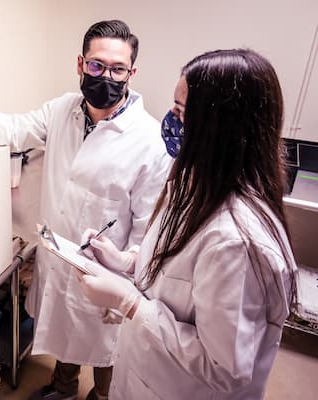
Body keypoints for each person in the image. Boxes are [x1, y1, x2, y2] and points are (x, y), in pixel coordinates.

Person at [0, 20, 170, 400]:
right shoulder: (63, 110)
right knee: (66, 334)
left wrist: (131, 288)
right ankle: (62, 392)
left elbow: (148, 227)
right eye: (97, 66)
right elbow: (12, 129)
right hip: (61, 259)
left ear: (132, 72)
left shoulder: (148, 140)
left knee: (107, 356)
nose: (106, 77)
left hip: (112, 275)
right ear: (80, 64)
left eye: (117, 69)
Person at [78, 48, 298, 399]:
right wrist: (127, 262)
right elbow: (180, 272)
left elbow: (226, 369)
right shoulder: (193, 183)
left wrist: (129, 302)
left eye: (181, 112)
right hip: (144, 375)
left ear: (219, 129)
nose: (169, 120)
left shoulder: (237, 242)